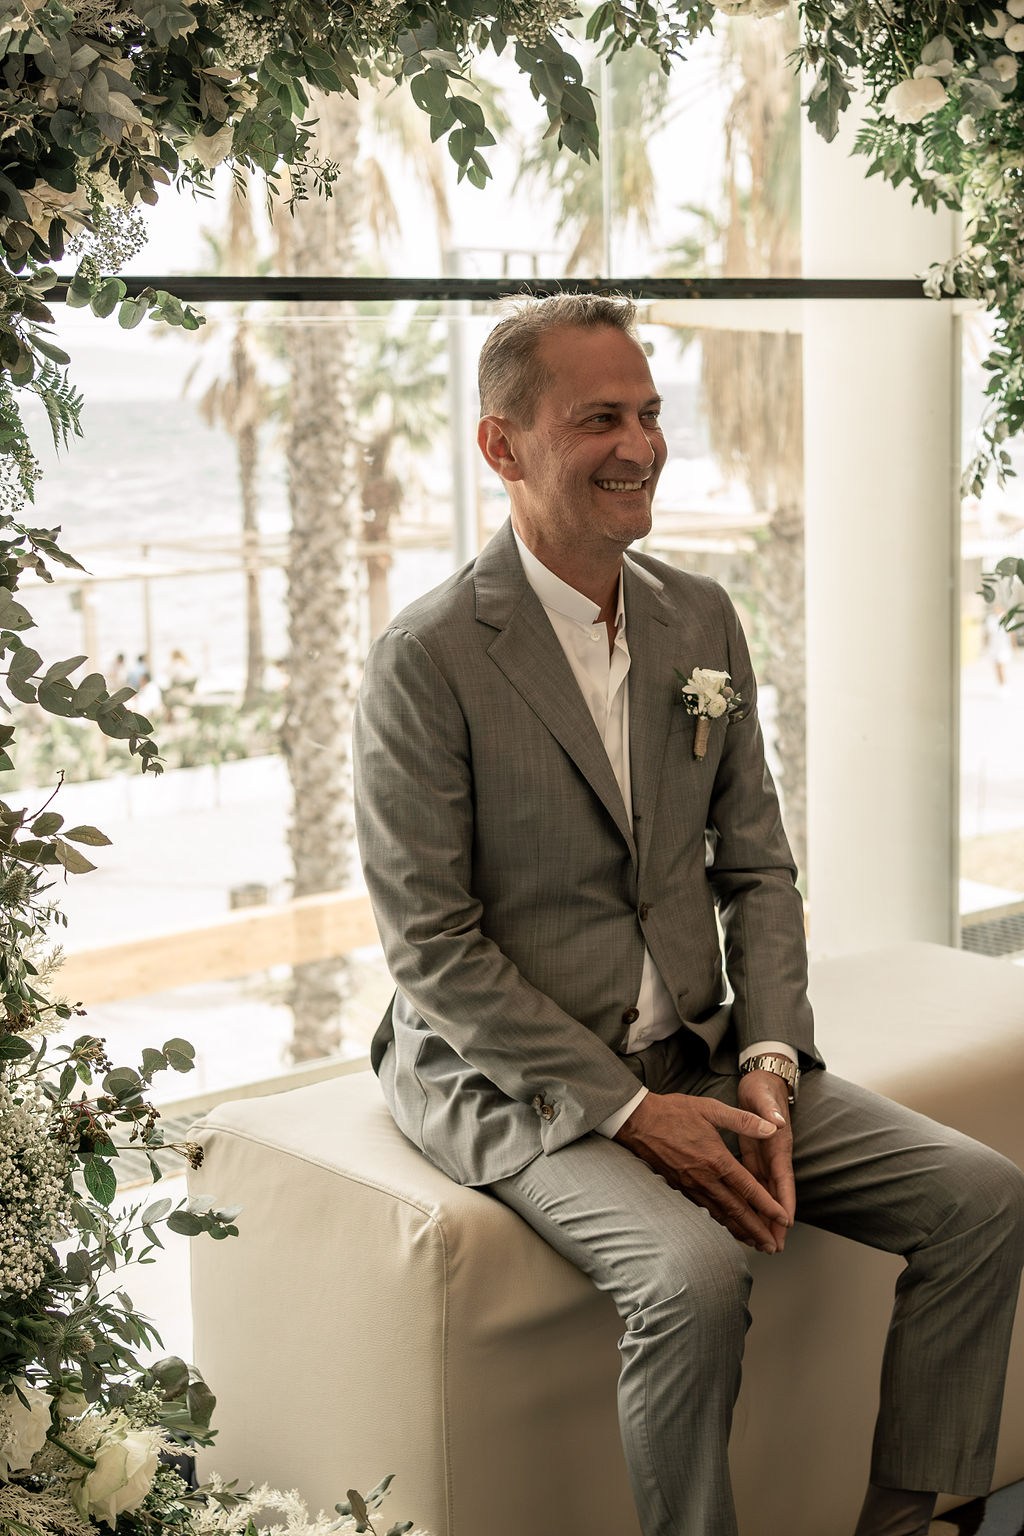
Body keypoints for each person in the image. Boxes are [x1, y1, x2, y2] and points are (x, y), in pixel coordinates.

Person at [352, 294, 1024, 1536]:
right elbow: (432, 948)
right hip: (507, 1078)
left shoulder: (699, 617)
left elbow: (757, 867)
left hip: (702, 1049)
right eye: (598, 418)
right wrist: (628, 1111)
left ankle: (909, 1522)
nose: (641, 446)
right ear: (502, 445)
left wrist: (766, 1059)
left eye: (649, 414)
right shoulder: (426, 658)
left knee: (981, 1197)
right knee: (696, 1277)